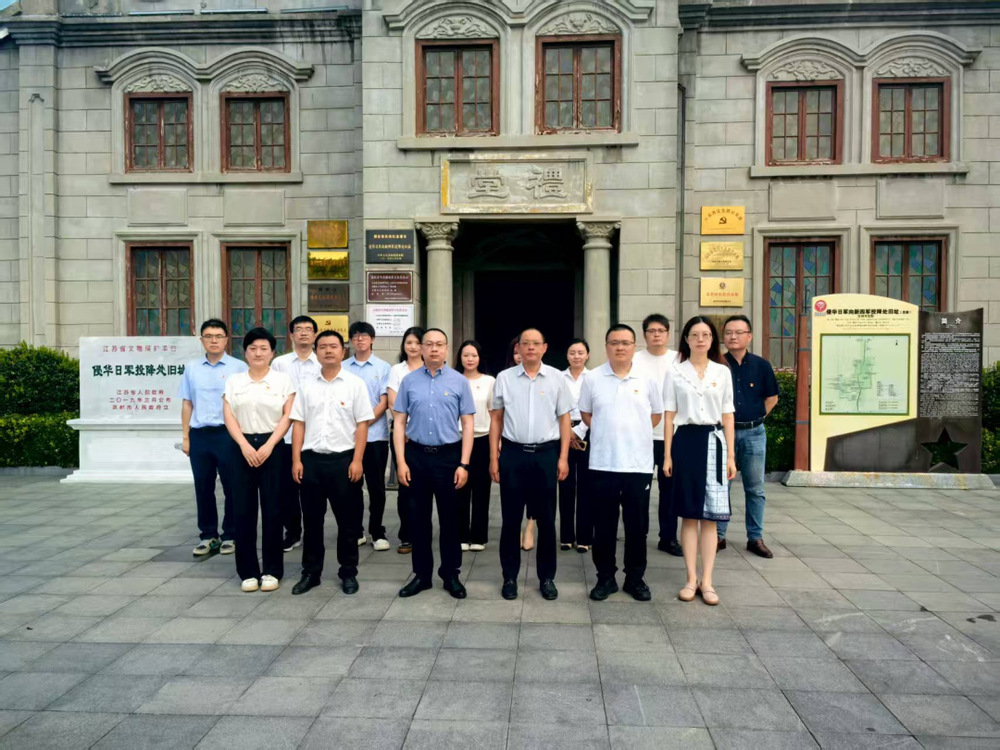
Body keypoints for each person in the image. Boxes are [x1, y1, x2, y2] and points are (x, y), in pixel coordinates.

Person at [580, 324, 662, 602]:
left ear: (634, 346)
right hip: (603, 463)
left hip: (638, 464)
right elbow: (586, 414)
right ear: (606, 347)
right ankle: (605, 578)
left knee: (637, 526)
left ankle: (635, 578)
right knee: (603, 526)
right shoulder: (592, 378)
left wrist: (632, 432)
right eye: (614, 342)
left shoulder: (647, 378)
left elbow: (656, 415)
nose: (620, 347)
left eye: (626, 342)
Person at [392, 328, 475, 599]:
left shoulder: (459, 381)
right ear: (422, 348)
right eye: (429, 344)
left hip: (449, 458)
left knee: (451, 519)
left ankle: (451, 574)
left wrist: (464, 464)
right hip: (416, 456)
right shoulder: (409, 381)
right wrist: (401, 462)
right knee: (418, 519)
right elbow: (399, 423)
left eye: (439, 344)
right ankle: (422, 575)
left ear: (447, 348)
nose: (434, 349)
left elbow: (468, 424)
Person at [289, 330, 374, 596]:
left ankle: (348, 572)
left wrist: (357, 460)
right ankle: (311, 573)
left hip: (344, 461)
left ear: (343, 351)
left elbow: (362, 425)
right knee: (312, 521)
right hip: (311, 461)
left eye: (333, 346)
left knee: (347, 522)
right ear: (316, 351)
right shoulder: (306, 385)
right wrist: (296, 459)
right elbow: (298, 423)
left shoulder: (355, 384)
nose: (328, 350)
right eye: (323, 346)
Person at [490, 328, 571, 601]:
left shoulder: (557, 378)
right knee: (511, 519)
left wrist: (563, 457)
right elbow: (496, 419)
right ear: (519, 348)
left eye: (536, 343)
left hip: (545, 454)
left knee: (547, 520)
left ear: (545, 347)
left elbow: (564, 420)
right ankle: (509, 576)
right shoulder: (504, 378)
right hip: (513, 454)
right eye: (526, 344)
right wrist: (493, 458)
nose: (531, 348)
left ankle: (547, 578)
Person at [662, 317, 736, 607]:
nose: (701, 339)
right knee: (689, 514)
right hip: (686, 442)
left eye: (706, 334)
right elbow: (669, 414)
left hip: (715, 442)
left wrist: (731, 455)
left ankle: (708, 581)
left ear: (712, 339)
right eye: (695, 334)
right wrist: (667, 454)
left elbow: (728, 414)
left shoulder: (722, 371)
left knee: (711, 516)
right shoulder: (675, 372)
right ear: (686, 339)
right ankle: (691, 578)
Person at [223, 328, 296, 593]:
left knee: (273, 510)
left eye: (264, 348)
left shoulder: (283, 381)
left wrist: (269, 445)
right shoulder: (234, 381)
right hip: (241, 447)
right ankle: (248, 572)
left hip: (272, 447)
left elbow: (288, 415)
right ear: (245, 352)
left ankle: (272, 570)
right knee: (243, 510)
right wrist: (244, 445)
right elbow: (229, 415)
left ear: (272, 353)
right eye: (252, 348)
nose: (258, 353)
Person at [179, 319, 247, 557]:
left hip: (228, 435)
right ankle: (208, 535)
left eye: (218, 336)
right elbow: (187, 403)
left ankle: (231, 534)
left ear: (226, 339)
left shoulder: (239, 367)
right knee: (203, 486)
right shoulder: (192, 368)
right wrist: (186, 437)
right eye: (208, 336)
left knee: (232, 486)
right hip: (200, 435)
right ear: (202, 340)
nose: (214, 340)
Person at [718, 315, 779, 559]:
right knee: (722, 486)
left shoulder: (761, 365)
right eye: (728, 332)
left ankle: (755, 537)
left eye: (738, 332)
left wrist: (756, 417)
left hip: (754, 433)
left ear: (749, 336)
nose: (733, 336)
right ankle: (718, 536)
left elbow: (772, 398)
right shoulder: (717, 364)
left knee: (755, 488)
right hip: (723, 434)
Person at [271, 316, 321, 553]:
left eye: (308, 329)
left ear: (315, 335)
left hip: (314, 437)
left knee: (312, 490)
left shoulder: (322, 362)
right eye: (298, 329)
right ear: (291, 335)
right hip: (285, 435)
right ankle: (292, 533)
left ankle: (312, 533)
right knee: (286, 490)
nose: (303, 333)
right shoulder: (279, 364)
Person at [633, 313, 681, 557]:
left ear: (668, 334)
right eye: (651, 331)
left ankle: (668, 538)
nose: (656, 335)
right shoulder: (634, 359)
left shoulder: (679, 359)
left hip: (671, 436)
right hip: (642, 435)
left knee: (669, 491)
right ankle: (638, 534)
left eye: (661, 331)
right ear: (644, 335)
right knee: (639, 490)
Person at [344, 321, 392, 551]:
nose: (360, 339)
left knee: (376, 487)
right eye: (355, 336)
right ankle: (356, 531)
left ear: (372, 339)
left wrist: (363, 423)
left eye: (364, 335)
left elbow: (384, 402)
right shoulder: (343, 367)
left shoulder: (383, 367)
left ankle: (377, 532)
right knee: (352, 486)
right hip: (348, 437)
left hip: (375, 437)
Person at [387, 326, 425, 554]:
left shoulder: (433, 368)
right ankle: (407, 535)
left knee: (426, 485)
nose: (413, 347)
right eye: (409, 342)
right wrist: (406, 427)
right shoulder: (397, 370)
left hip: (426, 436)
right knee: (406, 485)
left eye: (417, 342)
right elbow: (393, 402)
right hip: (403, 435)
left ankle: (423, 531)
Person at [455, 340, 495, 551]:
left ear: (480, 358)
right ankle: (461, 534)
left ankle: (479, 536)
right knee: (459, 487)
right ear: (459, 357)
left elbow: (494, 414)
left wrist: (497, 442)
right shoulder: (452, 379)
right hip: (457, 439)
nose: (470, 359)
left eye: (474, 355)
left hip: (482, 438)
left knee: (481, 488)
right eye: (466, 355)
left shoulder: (489, 381)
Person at [504, 335, 536, 552]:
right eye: (515, 353)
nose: (519, 356)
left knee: (533, 490)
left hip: (537, 447)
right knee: (513, 493)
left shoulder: (545, 378)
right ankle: (515, 529)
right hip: (511, 445)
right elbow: (497, 416)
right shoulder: (504, 379)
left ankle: (530, 527)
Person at [559, 338, 592, 553]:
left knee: (586, 487)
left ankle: (584, 537)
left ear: (587, 355)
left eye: (580, 352)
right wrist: (566, 432)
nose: (576, 356)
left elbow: (595, 408)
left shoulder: (594, 378)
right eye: (572, 352)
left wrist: (578, 431)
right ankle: (566, 536)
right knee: (565, 484)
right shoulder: (558, 378)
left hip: (587, 430)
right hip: (562, 431)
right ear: (567, 355)